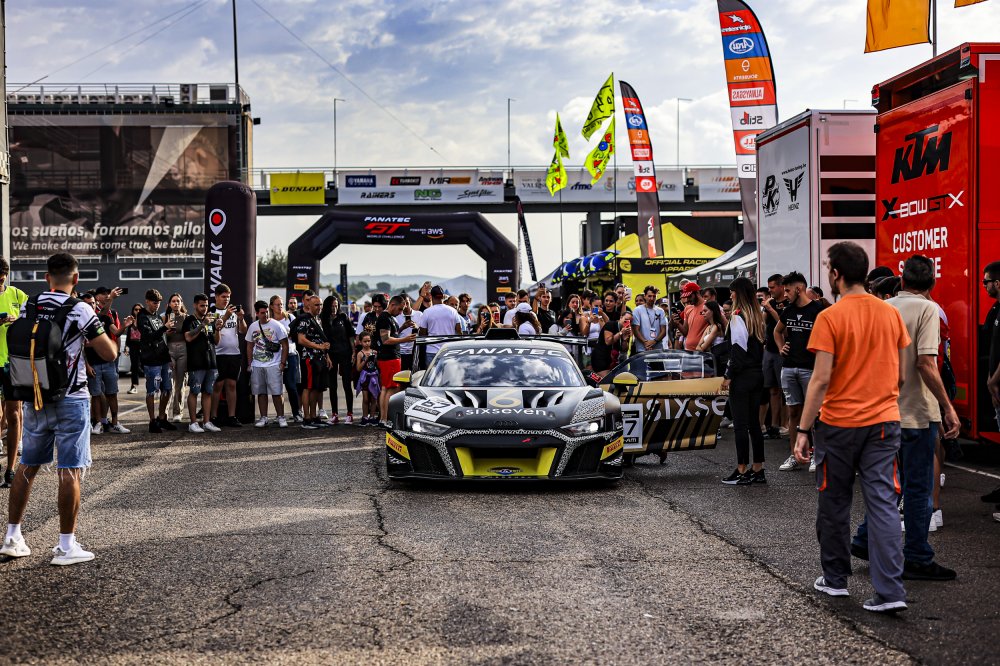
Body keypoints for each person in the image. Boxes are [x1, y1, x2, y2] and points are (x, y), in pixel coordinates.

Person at [793, 241, 911, 614]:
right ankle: (890, 591)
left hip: (839, 425)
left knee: (835, 503)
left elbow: (820, 380)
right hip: (884, 422)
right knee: (883, 504)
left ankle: (835, 580)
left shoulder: (830, 317)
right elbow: (902, 375)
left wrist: (802, 430)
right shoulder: (890, 314)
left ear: (836, 274)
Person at [848, 255, 960, 581]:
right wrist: (948, 407)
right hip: (917, 412)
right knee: (918, 487)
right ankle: (917, 556)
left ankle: (864, 539)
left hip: (883, 409)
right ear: (932, 282)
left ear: (901, 279)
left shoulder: (882, 307)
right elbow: (926, 363)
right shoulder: (928, 309)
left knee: (888, 484)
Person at [0, 252, 117, 565]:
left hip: (34, 395)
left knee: (27, 465)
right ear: (76, 278)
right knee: (69, 470)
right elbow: (109, 353)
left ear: (46, 276)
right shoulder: (80, 309)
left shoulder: (31, 304)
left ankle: (12, 537)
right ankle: (66, 546)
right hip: (71, 398)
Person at [775, 272, 824, 472]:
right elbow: (777, 331)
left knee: (815, 414)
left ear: (799, 289)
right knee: (793, 412)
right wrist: (781, 347)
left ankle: (816, 455)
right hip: (789, 367)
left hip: (810, 368)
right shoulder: (788, 310)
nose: (785, 294)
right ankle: (794, 455)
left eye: (787, 290)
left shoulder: (818, 311)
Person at [719, 277, 767, 486]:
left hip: (742, 375)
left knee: (740, 425)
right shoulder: (756, 315)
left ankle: (741, 470)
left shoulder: (738, 316)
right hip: (757, 374)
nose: (730, 295)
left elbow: (738, 350)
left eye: (732, 291)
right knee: (754, 424)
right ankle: (758, 468)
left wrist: (728, 375)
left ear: (738, 293)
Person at [83, 292, 128, 435]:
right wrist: (87, 365)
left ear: (96, 304)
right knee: (96, 395)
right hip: (93, 365)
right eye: (87, 304)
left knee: (112, 393)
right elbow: (80, 347)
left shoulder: (104, 318)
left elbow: (117, 332)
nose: (90, 306)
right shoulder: (80, 322)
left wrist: (125, 326)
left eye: (92, 303)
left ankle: (115, 423)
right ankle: (98, 423)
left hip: (108, 363)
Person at [0, 258, 28, 487]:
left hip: (14, 362)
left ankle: (10, 469)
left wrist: (17, 320)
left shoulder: (18, 294)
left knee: (15, 414)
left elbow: (33, 319)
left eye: (1, 280)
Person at [136, 289, 176, 434]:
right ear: (147, 301)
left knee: (168, 389)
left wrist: (166, 331)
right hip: (151, 359)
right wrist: (164, 328)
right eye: (154, 303)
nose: (156, 305)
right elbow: (148, 336)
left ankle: (162, 417)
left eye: (158, 303)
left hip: (163, 357)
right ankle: (152, 421)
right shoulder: (142, 317)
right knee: (152, 391)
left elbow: (159, 335)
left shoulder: (157, 316)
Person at [245, 300, 289, 428]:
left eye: (267, 312)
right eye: (263, 313)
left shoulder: (277, 325)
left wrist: (282, 363)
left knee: (277, 392)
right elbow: (249, 346)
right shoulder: (253, 326)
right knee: (261, 392)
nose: (266, 315)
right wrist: (250, 364)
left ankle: (281, 417)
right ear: (257, 313)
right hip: (257, 364)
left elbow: (285, 345)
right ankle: (263, 417)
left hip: (274, 364)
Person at [183, 293, 222, 433]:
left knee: (208, 392)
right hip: (196, 362)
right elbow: (188, 337)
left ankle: (206, 422)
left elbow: (216, 341)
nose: (204, 308)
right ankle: (193, 423)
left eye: (206, 305)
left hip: (211, 361)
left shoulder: (209, 320)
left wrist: (218, 329)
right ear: (195, 305)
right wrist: (202, 325)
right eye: (201, 305)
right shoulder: (189, 320)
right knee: (194, 392)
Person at [210, 284, 247, 428]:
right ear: (216, 297)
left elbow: (243, 330)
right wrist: (225, 317)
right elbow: (213, 331)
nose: (226, 299)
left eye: (228, 297)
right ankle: (213, 416)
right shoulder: (212, 312)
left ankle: (232, 416)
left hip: (234, 353)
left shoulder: (233, 311)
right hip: (218, 353)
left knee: (232, 385)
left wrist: (241, 318)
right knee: (217, 386)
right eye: (223, 296)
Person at [378, 295, 417, 425]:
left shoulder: (389, 317)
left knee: (386, 388)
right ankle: (385, 418)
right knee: (391, 388)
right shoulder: (385, 318)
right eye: (400, 309)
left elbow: (391, 335)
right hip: (389, 358)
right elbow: (386, 340)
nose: (401, 312)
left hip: (389, 357)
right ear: (392, 305)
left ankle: (384, 418)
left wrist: (402, 328)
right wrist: (405, 339)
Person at [981, 262, 1000, 512]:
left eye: (986, 281)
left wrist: (993, 380)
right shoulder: (996, 309)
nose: (984, 285)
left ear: (997, 283)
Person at [761, 274, 788, 440]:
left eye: (772, 287)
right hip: (769, 349)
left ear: (781, 286)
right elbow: (764, 323)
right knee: (772, 389)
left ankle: (785, 424)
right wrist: (766, 310)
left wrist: (771, 310)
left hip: (781, 350)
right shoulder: (770, 302)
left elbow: (784, 326)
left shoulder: (788, 303)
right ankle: (774, 424)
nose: (770, 290)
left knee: (784, 390)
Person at [324, 295, 356, 424]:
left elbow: (351, 336)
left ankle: (350, 414)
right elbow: (322, 339)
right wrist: (326, 355)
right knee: (333, 386)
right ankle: (334, 414)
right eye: (332, 306)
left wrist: (353, 352)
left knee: (347, 384)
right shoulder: (323, 319)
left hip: (345, 353)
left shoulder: (343, 317)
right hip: (331, 355)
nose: (334, 308)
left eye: (336, 306)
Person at [269, 295, 301, 421]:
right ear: (271, 306)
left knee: (291, 385)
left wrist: (290, 334)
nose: (280, 306)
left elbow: (298, 334)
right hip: (275, 356)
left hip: (290, 354)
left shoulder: (290, 317)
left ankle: (297, 413)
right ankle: (280, 415)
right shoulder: (269, 320)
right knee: (276, 387)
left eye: (281, 304)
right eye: (277, 304)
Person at [419, 286, 463, 366]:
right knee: (449, 373)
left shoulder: (427, 312)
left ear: (431, 296)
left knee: (432, 374)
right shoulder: (453, 311)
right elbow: (459, 332)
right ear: (443, 296)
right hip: (449, 351)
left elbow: (422, 334)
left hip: (432, 352)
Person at [163, 293, 188, 422]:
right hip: (169, 349)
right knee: (169, 383)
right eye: (173, 301)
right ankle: (164, 413)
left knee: (180, 383)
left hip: (183, 349)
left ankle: (178, 412)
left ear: (181, 303)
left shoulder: (186, 317)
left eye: (178, 301)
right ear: (169, 304)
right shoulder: (164, 317)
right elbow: (160, 335)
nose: (176, 303)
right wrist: (166, 331)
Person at [591, 295, 624, 380]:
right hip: (597, 350)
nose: (608, 303)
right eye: (606, 301)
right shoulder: (588, 315)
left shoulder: (612, 315)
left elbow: (609, 326)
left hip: (610, 351)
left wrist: (601, 315)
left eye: (611, 301)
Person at [631, 286, 667, 354]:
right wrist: (645, 342)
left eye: (654, 296)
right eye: (649, 296)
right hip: (642, 349)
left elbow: (663, 331)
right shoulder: (638, 310)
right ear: (645, 296)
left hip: (657, 349)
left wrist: (654, 341)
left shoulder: (660, 311)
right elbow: (636, 330)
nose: (652, 298)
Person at [354, 333, 380, 425]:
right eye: (365, 341)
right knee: (365, 398)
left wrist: (375, 357)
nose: (367, 343)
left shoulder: (374, 352)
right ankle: (365, 417)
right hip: (365, 378)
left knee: (373, 398)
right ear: (360, 342)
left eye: (369, 341)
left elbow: (377, 365)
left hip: (374, 377)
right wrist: (366, 359)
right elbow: (358, 368)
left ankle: (372, 417)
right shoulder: (360, 354)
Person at [675, 283, 709, 352]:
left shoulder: (709, 305)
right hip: (688, 350)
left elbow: (722, 325)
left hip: (702, 351)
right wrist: (677, 323)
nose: (687, 300)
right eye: (686, 297)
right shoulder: (687, 308)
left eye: (690, 296)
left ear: (697, 293)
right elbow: (685, 332)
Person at [395, 295, 421, 373]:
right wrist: (402, 327)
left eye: (407, 303)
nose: (405, 306)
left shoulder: (419, 314)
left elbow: (424, 332)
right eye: (403, 304)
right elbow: (394, 335)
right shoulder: (396, 317)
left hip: (415, 351)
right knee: (402, 375)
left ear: (410, 301)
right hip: (401, 352)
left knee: (415, 375)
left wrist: (417, 328)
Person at [123, 303, 144, 394]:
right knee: (134, 366)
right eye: (136, 309)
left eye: (139, 309)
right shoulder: (130, 320)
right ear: (133, 310)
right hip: (133, 345)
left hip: (143, 345)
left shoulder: (144, 320)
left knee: (146, 366)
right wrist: (126, 346)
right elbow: (128, 334)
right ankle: (134, 386)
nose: (138, 311)